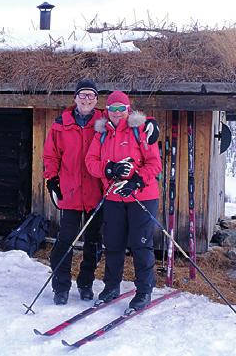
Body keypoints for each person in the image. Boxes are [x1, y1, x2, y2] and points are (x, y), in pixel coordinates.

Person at [85, 90, 162, 312]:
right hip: (113, 195)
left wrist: (136, 181)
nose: (117, 113)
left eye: (121, 108)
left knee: (140, 243)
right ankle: (111, 287)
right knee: (113, 243)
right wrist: (108, 168)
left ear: (127, 109)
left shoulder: (141, 130)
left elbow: (154, 163)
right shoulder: (102, 134)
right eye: (112, 109)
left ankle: (144, 290)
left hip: (142, 196)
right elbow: (91, 162)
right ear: (107, 111)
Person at [43, 78, 104, 305]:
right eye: (82, 95)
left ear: (96, 100)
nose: (86, 99)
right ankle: (61, 286)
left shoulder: (104, 121)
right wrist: (52, 179)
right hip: (70, 192)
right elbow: (51, 155)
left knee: (93, 241)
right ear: (75, 98)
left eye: (91, 95)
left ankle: (86, 283)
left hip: (96, 193)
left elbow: (127, 117)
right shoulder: (61, 124)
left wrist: (150, 125)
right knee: (65, 240)